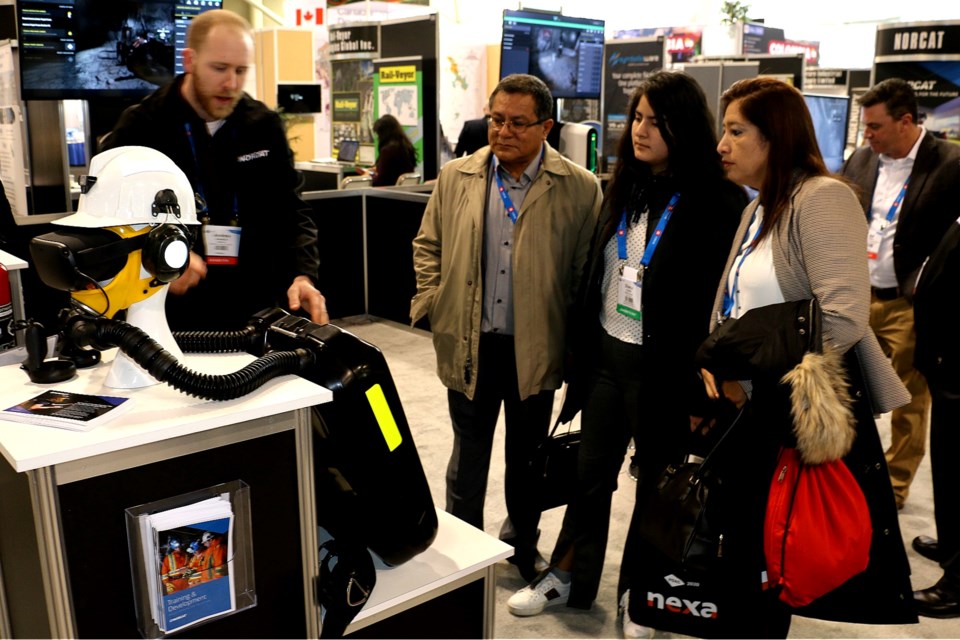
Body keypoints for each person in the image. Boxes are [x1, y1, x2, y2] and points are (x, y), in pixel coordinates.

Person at [504, 71, 747, 617]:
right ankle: (566, 574)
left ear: (682, 127)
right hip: (607, 359)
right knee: (589, 478)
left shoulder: (717, 201)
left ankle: (644, 592)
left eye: (655, 122)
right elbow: (601, 272)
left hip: (665, 369)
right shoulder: (624, 185)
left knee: (657, 490)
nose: (641, 130)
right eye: (637, 117)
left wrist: (700, 390)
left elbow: (716, 302)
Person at [688, 77, 917, 637]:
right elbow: (735, 305)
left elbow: (842, 316)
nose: (722, 143)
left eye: (737, 131)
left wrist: (750, 372)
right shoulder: (758, 209)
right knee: (741, 551)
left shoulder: (822, 198)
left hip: (789, 416)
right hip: (746, 413)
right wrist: (717, 363)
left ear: (776, 137)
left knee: (774, 559)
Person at [410, 74, 602, 582]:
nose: (503, 131)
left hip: (534, 351)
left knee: (527, 463)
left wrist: (572, 346)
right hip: (470, 344)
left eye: (518, 123)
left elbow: (584, 275)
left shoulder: (580, 189)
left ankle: (521, 547)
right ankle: (462, 554)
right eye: (497, 119)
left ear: (546, 127)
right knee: (466, 462)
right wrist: (435, 303)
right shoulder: (457, 177)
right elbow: (427, 246)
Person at [99, 9, 327, 331]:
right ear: (190, 60)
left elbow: (290, 208)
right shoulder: (142, 126)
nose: (231, 83)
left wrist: (303, 274)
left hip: (255, 311)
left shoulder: (262, 125)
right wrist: (154, 252)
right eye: (219, 68)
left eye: (241, 70)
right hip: (169, 314)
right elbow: (104, 218)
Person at [839, 77, 960, 509]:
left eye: (874, 126)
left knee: (909, 400)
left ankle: (894, 488)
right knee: (845, 387)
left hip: (910, 304)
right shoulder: (860, 161)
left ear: (905, 121)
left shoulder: (950, 165)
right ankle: (846, 473)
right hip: (857, 295)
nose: (866, 135)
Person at [912, 218, 960, 618]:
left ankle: (959, 583)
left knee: (959, 472)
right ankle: (953, 545)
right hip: (946, 368)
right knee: (947, 469)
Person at [366, 114, 417, 187]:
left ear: (383, 134)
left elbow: (380, 182)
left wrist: (369, 177)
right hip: (404, 193)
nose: (378, 138)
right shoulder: (406, 147)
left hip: (388, 193)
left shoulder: (388, 151)